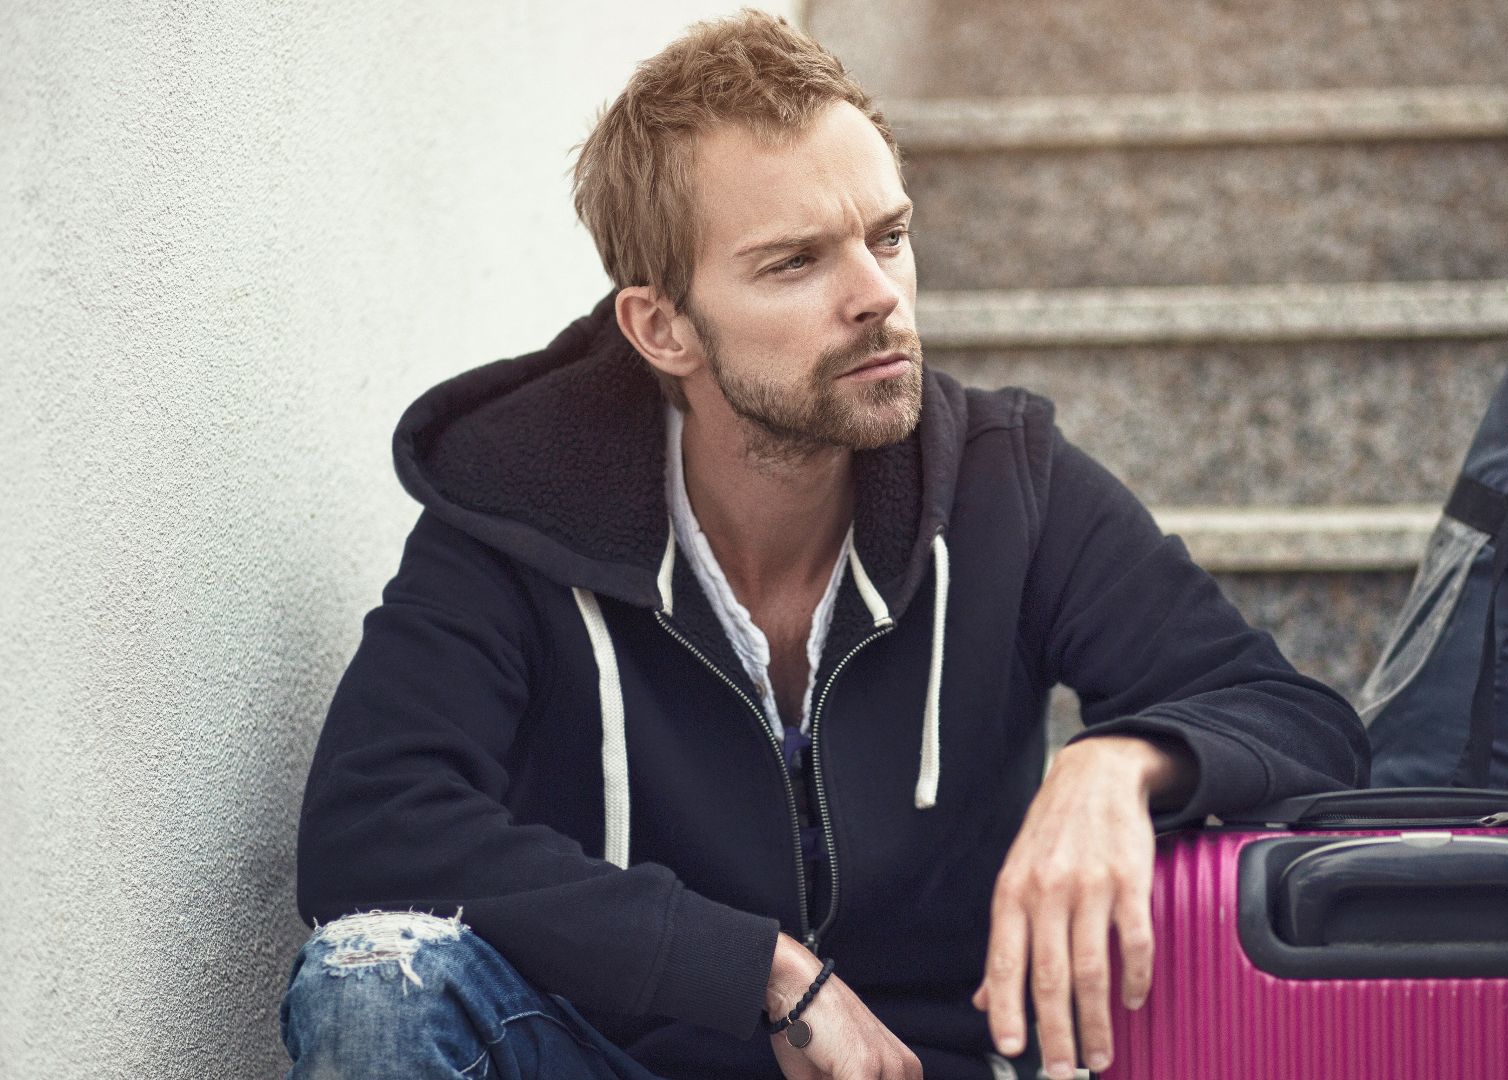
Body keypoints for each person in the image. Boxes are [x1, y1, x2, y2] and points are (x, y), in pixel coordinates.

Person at [282, 11, 1367, 1080]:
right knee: (373, 978)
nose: (878, 296)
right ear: (662, 327)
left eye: (887, 235)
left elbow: (1300, 722)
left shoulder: (1003, 484)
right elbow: (373, 828)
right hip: (628, 1059)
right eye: (795, 262)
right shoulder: (516, 511)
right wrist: (756, 968)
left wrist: (1120, 761)